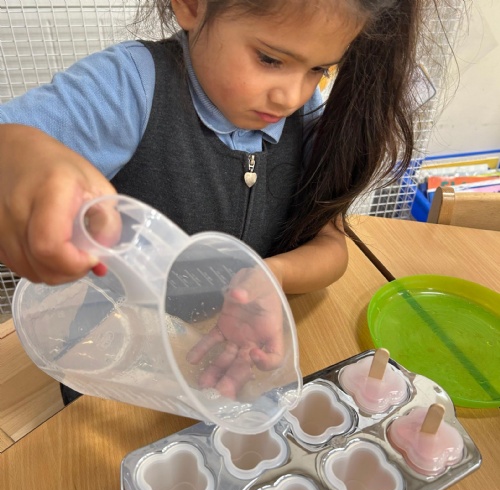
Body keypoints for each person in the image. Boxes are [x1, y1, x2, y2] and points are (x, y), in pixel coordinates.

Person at [0, 0, 446, 399]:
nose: (291, 96)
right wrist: (20, 156)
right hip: (112, 359)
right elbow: (10, 147)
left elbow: (332, 247)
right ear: (192, 5)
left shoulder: (307, 113)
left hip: (216, 355)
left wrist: (267, 275)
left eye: (319, 70)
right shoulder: (129, 87)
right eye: (270, 59)